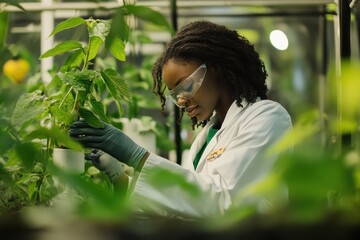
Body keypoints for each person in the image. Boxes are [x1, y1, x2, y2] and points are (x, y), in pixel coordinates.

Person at [69, 20, 292, 218]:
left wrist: (137, 156)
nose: (182, 102)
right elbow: (186, 206)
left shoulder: (267, 117)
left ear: (215, 69)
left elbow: (224, 201)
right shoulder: (203, 141)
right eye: (176, 95)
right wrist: (117, 174)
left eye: (186, 86)